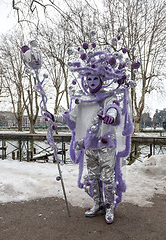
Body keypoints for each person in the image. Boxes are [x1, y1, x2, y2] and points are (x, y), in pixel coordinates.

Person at [45, 41, 137, 224]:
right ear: (85, 81)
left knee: (107, 177)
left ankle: (110, 206)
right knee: (93, 177)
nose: (92, 82)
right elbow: (70, 116)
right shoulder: (82, 99)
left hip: (105, 145)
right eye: (89, 79)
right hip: (88, 145)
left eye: (95, 79)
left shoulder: (108, 96)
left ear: (101, 80)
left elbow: (114, 108)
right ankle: (98, 204)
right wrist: (53, 117)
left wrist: (111, 115)